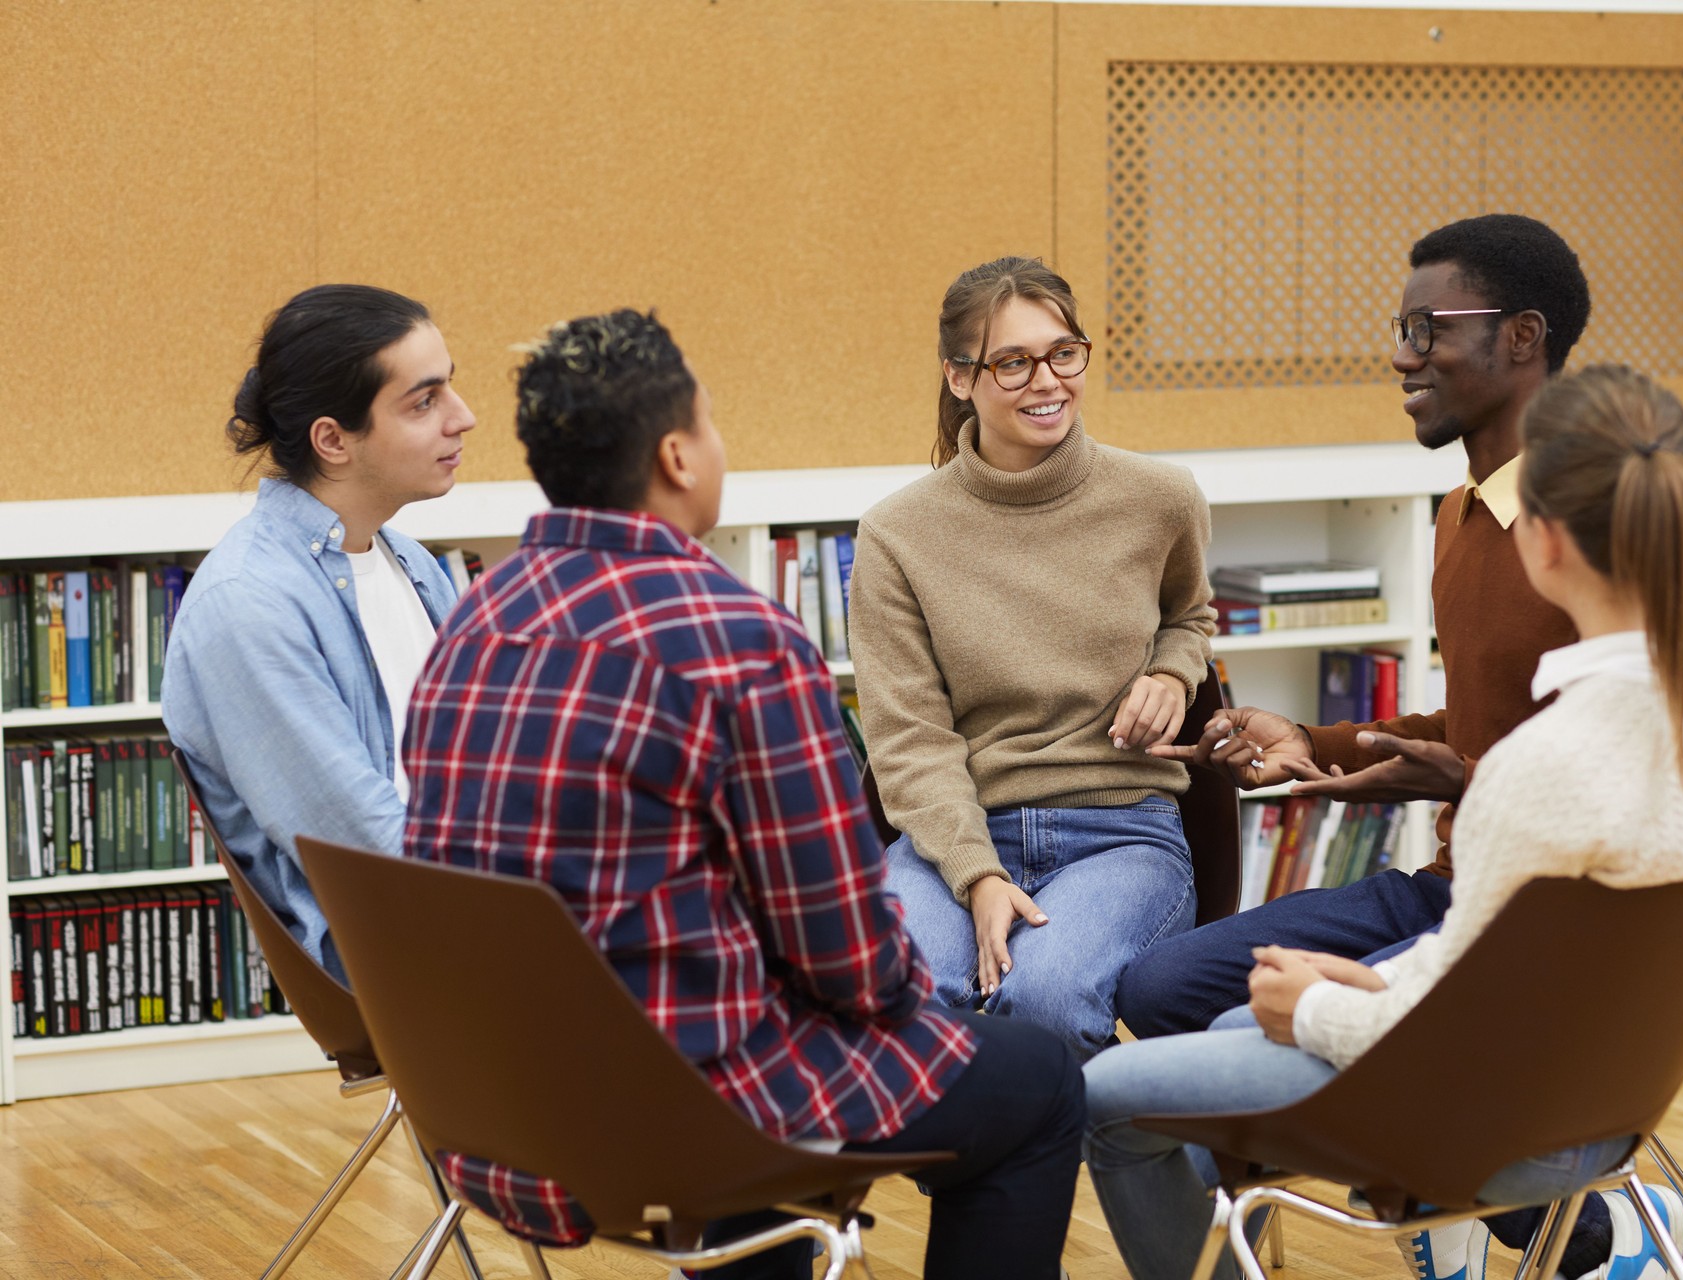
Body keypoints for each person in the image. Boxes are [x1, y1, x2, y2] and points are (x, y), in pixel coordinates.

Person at [401, 309, 1084, 1280]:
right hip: (686, 1110)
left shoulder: (475, 616)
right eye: (715, 425)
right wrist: (911, 993)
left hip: (507, 1105)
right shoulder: (739, 636)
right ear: (678, 455)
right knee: (1042, 1080)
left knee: (743, 1017)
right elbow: (846, 952)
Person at [1083, 364, 1683, 1280]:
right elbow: (1485, 965)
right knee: (1214, 1020)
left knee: (1118, 1092)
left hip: (1497, 1114)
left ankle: (1474, 1215)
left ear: (1538, 542)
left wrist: (1323, 1002)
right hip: (1609, 1085)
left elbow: (1453, 1016)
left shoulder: (1544, 766)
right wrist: (1358, 980)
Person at [1117, 213, 1609, 1277]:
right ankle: (1476, 1197)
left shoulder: (1602, 522)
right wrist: (1313, 737)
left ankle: (1552, 1219)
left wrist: (1473, 779)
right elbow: (1469, 728)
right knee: (1158, 987)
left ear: (1522, 337)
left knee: (1286, 1043)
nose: (1401, 353)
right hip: (1446, 881)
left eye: (1431, 329)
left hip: (1541, 913)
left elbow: (1635, 775)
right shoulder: (1457, 515)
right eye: (1401, 325)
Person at [849, 256, 1215, 1063]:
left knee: (1044, 1000)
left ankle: (1053, 1179)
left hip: (1122, 827)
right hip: (961, 829)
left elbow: (1189, 616)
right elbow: (908, 741)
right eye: (1012, 362)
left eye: (1063, 353)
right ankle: (979, 1185)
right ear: (958, 378)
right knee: (896, 998)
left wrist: (1171, 672)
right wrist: (978, 876)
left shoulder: (1160, 498)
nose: (1046, 380)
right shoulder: (897, 536)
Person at [164, 284, 473, 979]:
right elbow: (361, 847)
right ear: (332, 440)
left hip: (468, 905)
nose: (465, 418)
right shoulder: (249, 602)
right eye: (424, 402)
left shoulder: (413, 564)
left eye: (450, 389)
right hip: (402, 946)